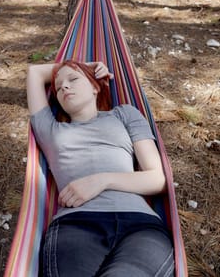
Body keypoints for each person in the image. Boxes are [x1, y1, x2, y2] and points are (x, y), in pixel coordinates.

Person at [27, 60, 174, 277]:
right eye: (58, 87)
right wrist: (86, 66)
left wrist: (101, 180)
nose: (64, 87)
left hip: (140, 226)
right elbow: (35, 72)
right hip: (77, 225)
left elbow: (158, 179)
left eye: (74, 79)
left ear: (95, 87)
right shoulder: (50, 129)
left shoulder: (124, 115)